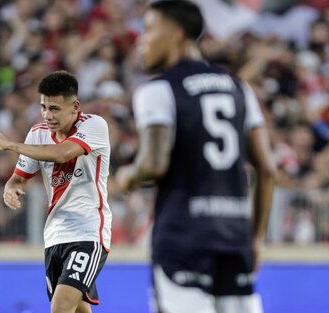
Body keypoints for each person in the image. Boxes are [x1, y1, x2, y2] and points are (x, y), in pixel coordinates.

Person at [116, 1, 277, 313]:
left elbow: (153, 164)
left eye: (149, 29)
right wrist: (256, 239)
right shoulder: (238, 87)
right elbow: (267, 169)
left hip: (182, 238)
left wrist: (127, 176)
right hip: (234, 238)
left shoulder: (158, 90)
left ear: (176, 34)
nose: (141, 39)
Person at [0, 70, 112, 313]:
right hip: (54, 235)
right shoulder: (37, 134)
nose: (47, 115)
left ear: (75, 106)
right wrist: (11, 189)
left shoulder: (95, 125)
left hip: (89, 231)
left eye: (54, 109)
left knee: (60, 307)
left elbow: (62, 153)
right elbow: (18, 179)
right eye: (43, 107)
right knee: (79, 309)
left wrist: (10, 145)